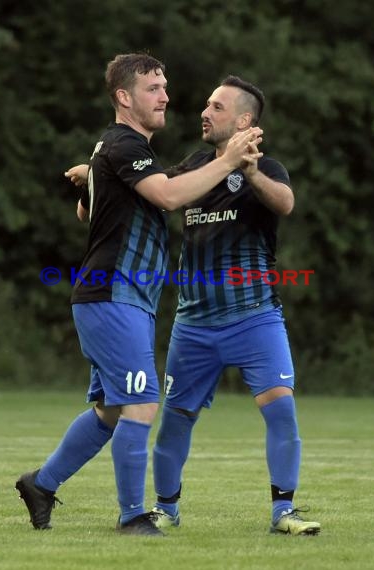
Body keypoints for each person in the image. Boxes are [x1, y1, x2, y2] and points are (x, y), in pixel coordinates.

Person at [15, 55, 262, 537]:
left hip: (125, 298)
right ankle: (132, 517)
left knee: (111, 409)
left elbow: (90, 214)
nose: (165, 95)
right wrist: (229, 160)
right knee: (143, 402)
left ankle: (41, 485)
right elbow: (170, 196)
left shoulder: (121, 150)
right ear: (124, 98)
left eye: (165, 86)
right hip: (113, 295)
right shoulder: (125, 144)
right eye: (153, 88)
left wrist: (91, 179)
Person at [146, 76, 321, 536]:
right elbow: (156, 193)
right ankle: (166, 509)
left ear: (244, 120)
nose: (205, 112)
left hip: (255, 318)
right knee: (174, 421)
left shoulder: (269, 170)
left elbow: (285, 204)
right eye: (206, 104)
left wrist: (250, 170)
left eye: (217, 107)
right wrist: (98, 177)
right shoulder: (195, 166)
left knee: (281, 411)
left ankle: (284, 512)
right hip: (194, 324)